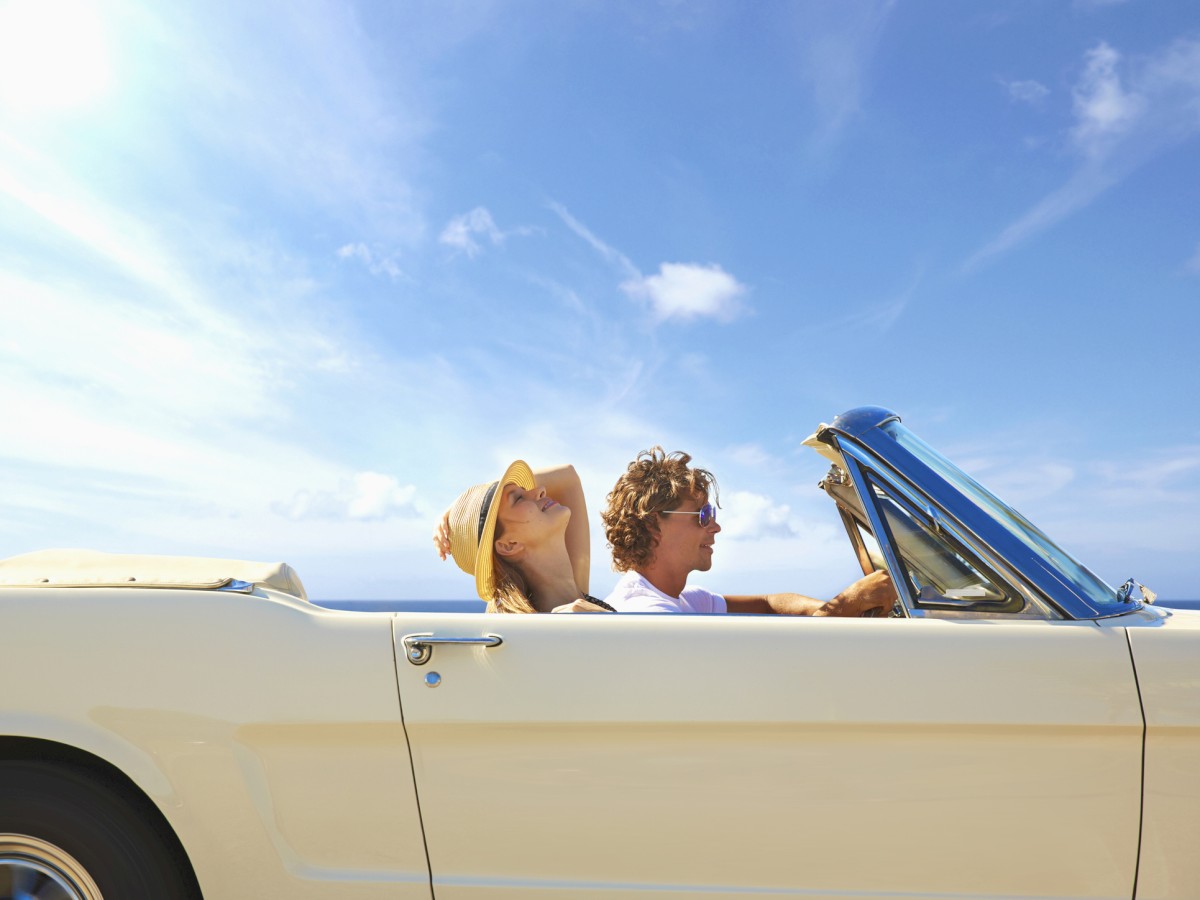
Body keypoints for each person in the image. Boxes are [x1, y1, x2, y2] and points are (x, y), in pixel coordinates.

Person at [601, 447, 897, 615]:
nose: (715, 527)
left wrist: (843, 608)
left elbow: (770, 603)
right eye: (703, 515)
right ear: (654, 525)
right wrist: (850, 604)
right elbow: (769, 671)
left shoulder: (686, 600)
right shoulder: (648, 613)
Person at [433, 461, 614, 613]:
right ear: (509, 544)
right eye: (518, 498)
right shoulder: (535, 632)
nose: (540, 490)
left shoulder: (574, 595)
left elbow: (568, 477)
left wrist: (461, 505)